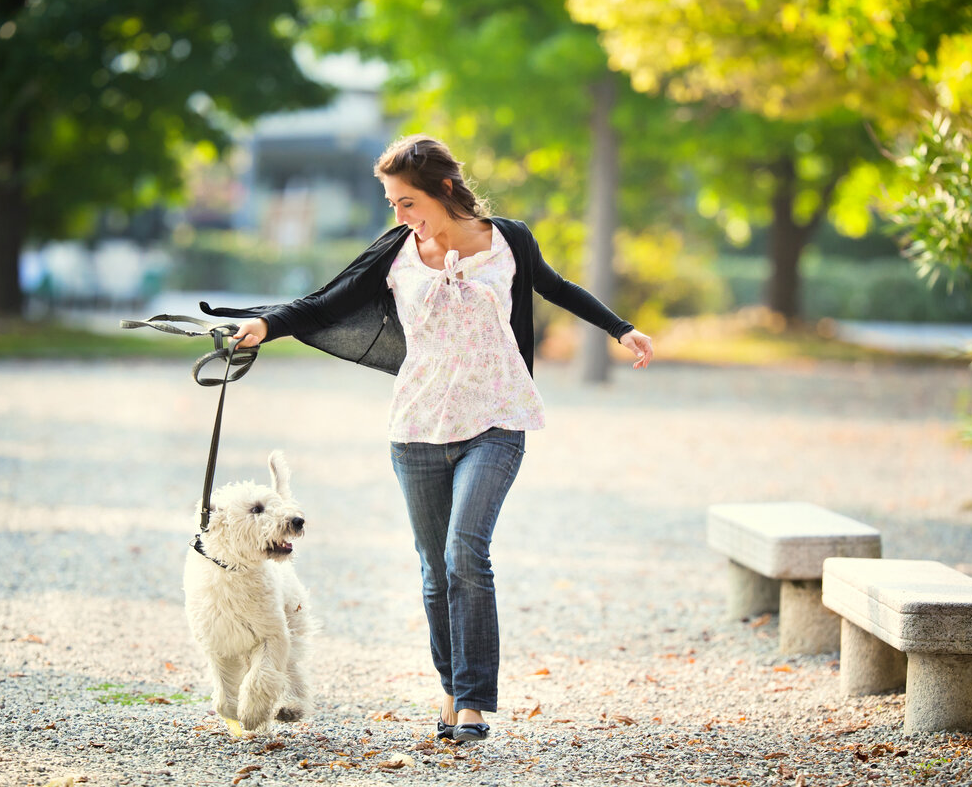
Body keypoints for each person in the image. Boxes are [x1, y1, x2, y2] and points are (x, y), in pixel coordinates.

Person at [218, 134, 653, 743]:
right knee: (433, 568)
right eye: (392, 203)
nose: (398, 214)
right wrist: (264, 325)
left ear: (444, 191)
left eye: (407, 202)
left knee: (464, 553)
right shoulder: (398, 251)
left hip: (497, 420)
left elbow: (556, 288)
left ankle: (473, 705)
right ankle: (450, 690)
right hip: (418, 428)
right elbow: (325, 303)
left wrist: (621, 329)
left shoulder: (509, 240)